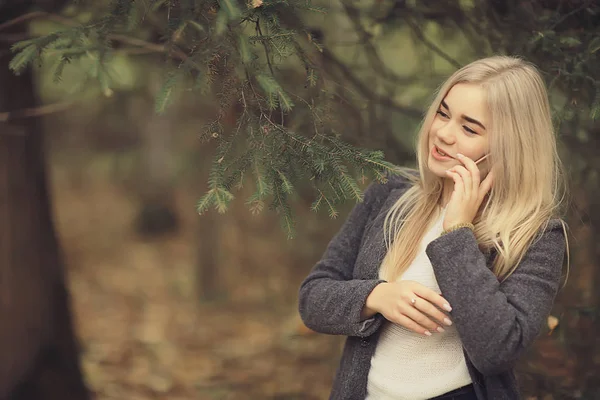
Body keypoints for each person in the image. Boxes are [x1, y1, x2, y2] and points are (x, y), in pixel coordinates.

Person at [297, 55, 569, 400]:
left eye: (469, 128)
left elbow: (497, 350)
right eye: (443, 113)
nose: (443, 133)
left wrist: (457, 232)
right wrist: (375, 296)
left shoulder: (537, 235)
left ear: (510, 146)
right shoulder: (389, 195)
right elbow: (313, 298)